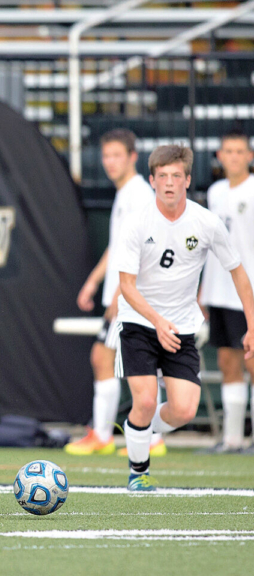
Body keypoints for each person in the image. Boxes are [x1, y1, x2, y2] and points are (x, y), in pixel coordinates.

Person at [114, 145, 254, 492]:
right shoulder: (138, 223)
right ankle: (138, 471)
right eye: (162, 176)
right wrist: (157, 321)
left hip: (182, 325)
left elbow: (238, 272)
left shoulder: (206, 222)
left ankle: (137, 430)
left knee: (184, 410)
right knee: (145, 400)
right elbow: (126, 287)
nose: (169, 183)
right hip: (140, 322)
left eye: (177, 176)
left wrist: (252, 325)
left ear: (188, 180)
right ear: (152, 181)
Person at [66, 129, 165, 457]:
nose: (110, 162)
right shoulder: (126, 194)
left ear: (132, 157)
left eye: (116, 156)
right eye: (106, 156)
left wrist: (122, 294)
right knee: (110, 360)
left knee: (122, 362)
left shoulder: (137, 194)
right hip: (124, 294)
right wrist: (93, 282)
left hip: (130, 296)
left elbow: (142, 249)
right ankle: (114, 435)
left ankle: (137, 438)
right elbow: (117, 247)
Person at [199, 129, 254, 453]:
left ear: (249, 156)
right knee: (227, 361)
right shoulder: (216, 191)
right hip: (218, 292)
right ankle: (232, 438)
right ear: (219, 156)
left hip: (246, 292)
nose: (233, 156)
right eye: (227, 151)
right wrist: (203, 290)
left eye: (239, 151)